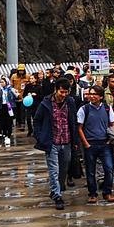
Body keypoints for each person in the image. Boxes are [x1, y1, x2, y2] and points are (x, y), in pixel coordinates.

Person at [34, 81, 76, 210]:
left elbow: (73, 120)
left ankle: (56, 188)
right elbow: (37, 121)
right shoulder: (46, 103)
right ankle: (57, 196)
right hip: (52, 141)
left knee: (64, 168)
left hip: (67, 140)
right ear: (55, 90)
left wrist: (75, 141)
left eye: (66, 92)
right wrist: (41, 137)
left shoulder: (70, 102)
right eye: (61, 91)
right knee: (54, 169)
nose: (63, 95)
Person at [76, 86, 114, 204]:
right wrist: (86, 144)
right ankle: (92, 194)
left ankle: (107, 192)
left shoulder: (106, 108)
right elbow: (79, 128)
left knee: (109, 169)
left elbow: (112, 124)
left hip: (105, 143)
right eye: (90, 94)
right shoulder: (84, 109)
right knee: (90, 170)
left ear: (100, 96)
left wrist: (110, 139)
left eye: (94, 94)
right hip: (90, 144)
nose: (92, 96)